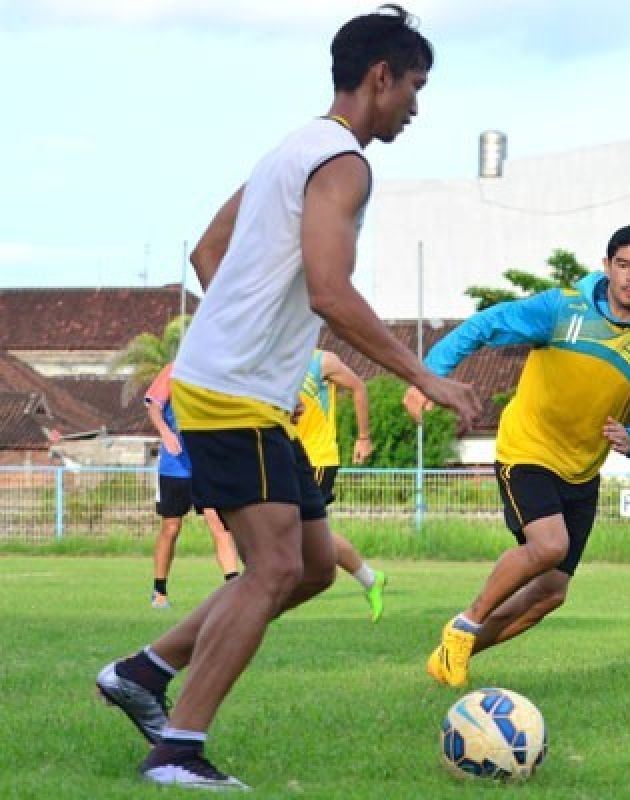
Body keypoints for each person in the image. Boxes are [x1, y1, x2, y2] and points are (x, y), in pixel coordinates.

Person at [95, 7, 480, 788]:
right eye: (414, 86)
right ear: (381, 77)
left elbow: (209, 250)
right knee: (271, 569)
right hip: (234, 393)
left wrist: (252, 323)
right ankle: (177, 750)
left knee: (309, 567)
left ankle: (144, 669)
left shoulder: (290, 148)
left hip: (236, 384)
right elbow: (333, 293)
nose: (415, 106)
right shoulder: (344, 163)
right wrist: (423, 375)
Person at [405, 224, 630, 689]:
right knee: (549, 545)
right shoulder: (561, 309)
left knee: (550, 594)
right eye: (623, 265)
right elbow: (485, 325)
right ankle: (465, 623)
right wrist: (430, 375)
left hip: (583, 468)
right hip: (527, 449)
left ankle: (452, 653)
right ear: (607, 267)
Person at [294, 348, 387, 622]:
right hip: (286, 455)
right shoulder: (271, 359)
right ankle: (371, 580)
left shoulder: (321, 361)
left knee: (299, 527)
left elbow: (358, 388)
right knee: (304, 530)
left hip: (318, 459)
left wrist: (363, 437)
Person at [144, 363, 240, 608]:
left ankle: (234, 590)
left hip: (207, 463)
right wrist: (166, 433)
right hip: (174, 465)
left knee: (220, 527)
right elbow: (154, 407)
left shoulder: (220, 370)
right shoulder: (175, 370)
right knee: (171, 527)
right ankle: (159, 590)